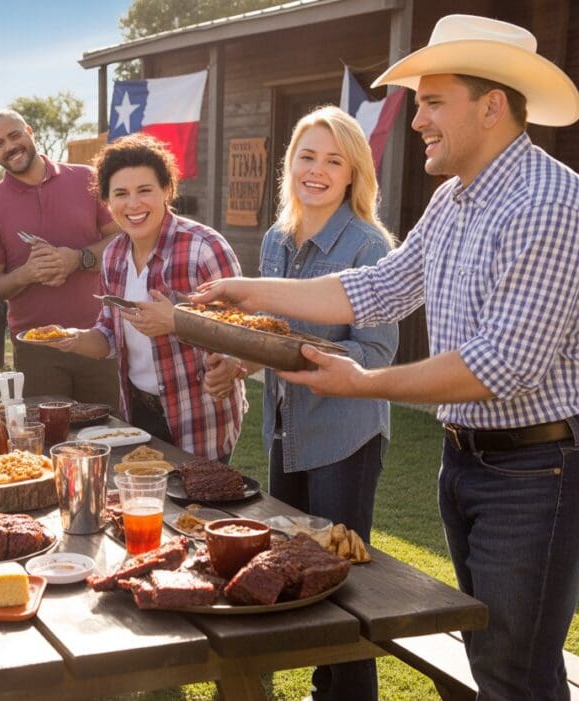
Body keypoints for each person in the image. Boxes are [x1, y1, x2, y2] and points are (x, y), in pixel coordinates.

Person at [193, 15, 579, 699]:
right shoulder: (452, 199)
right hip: (465, 460)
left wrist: (363, 381)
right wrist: (243, 285)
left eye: (433, 102)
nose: (417, 119)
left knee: (514, 671)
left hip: (534, 471)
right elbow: (379, 286)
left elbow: (500, 366)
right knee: (493, 658)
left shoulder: (549, 202)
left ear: (491, 106)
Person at [224, 105, 398, 701]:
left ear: (354, 175)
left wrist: (302, 360)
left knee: (342, 583)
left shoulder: (368, 245)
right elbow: (271, 332)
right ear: (289, 164)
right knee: (293, 565)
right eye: (307, 156)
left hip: (343, 437)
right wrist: (241, 358)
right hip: (285, 431)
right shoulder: (277, 237)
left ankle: (348, 693)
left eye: (334, 160)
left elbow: (375, 353)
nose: (317, 170)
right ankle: (322, 688)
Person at [51, 134, 244, 460]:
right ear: (107, 202)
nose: (133, 204)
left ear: (167, 190)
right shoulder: (113, 255)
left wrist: (180, 324)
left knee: (199, 506)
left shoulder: (204, 248)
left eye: (145, 191)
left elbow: (243, 332)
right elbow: (109, 335)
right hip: (138, 414)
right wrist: (72, 339)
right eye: (121, 194)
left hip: (199, 415)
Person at [0, 109, 120, 409]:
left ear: (29, 131)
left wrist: (78, 259)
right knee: (48, 440)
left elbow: (121, 240)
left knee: (112, 432)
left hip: (100, 335)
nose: (10, 146)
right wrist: (28, 273)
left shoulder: (87, 179)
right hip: (36, 348)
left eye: (14, 135)